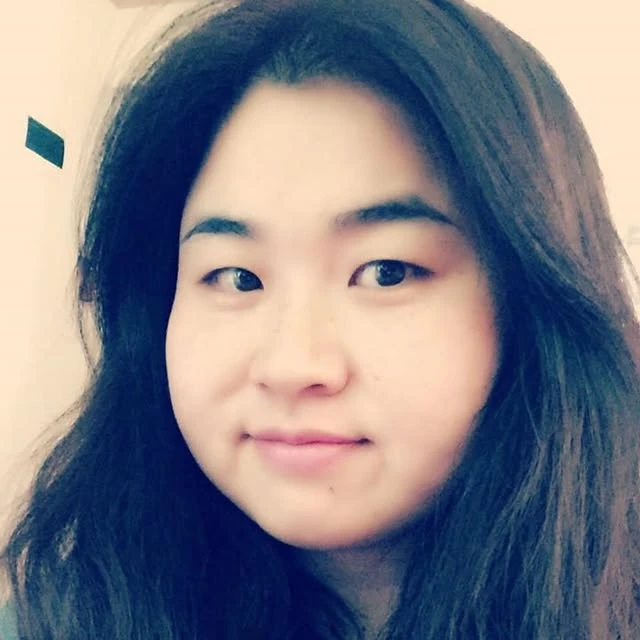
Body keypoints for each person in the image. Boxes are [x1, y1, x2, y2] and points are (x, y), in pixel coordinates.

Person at [2, 0, 639, 638]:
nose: (291, 365)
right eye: (236, 277)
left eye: (386, 271)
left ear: (533, 296)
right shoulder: (61, 618)